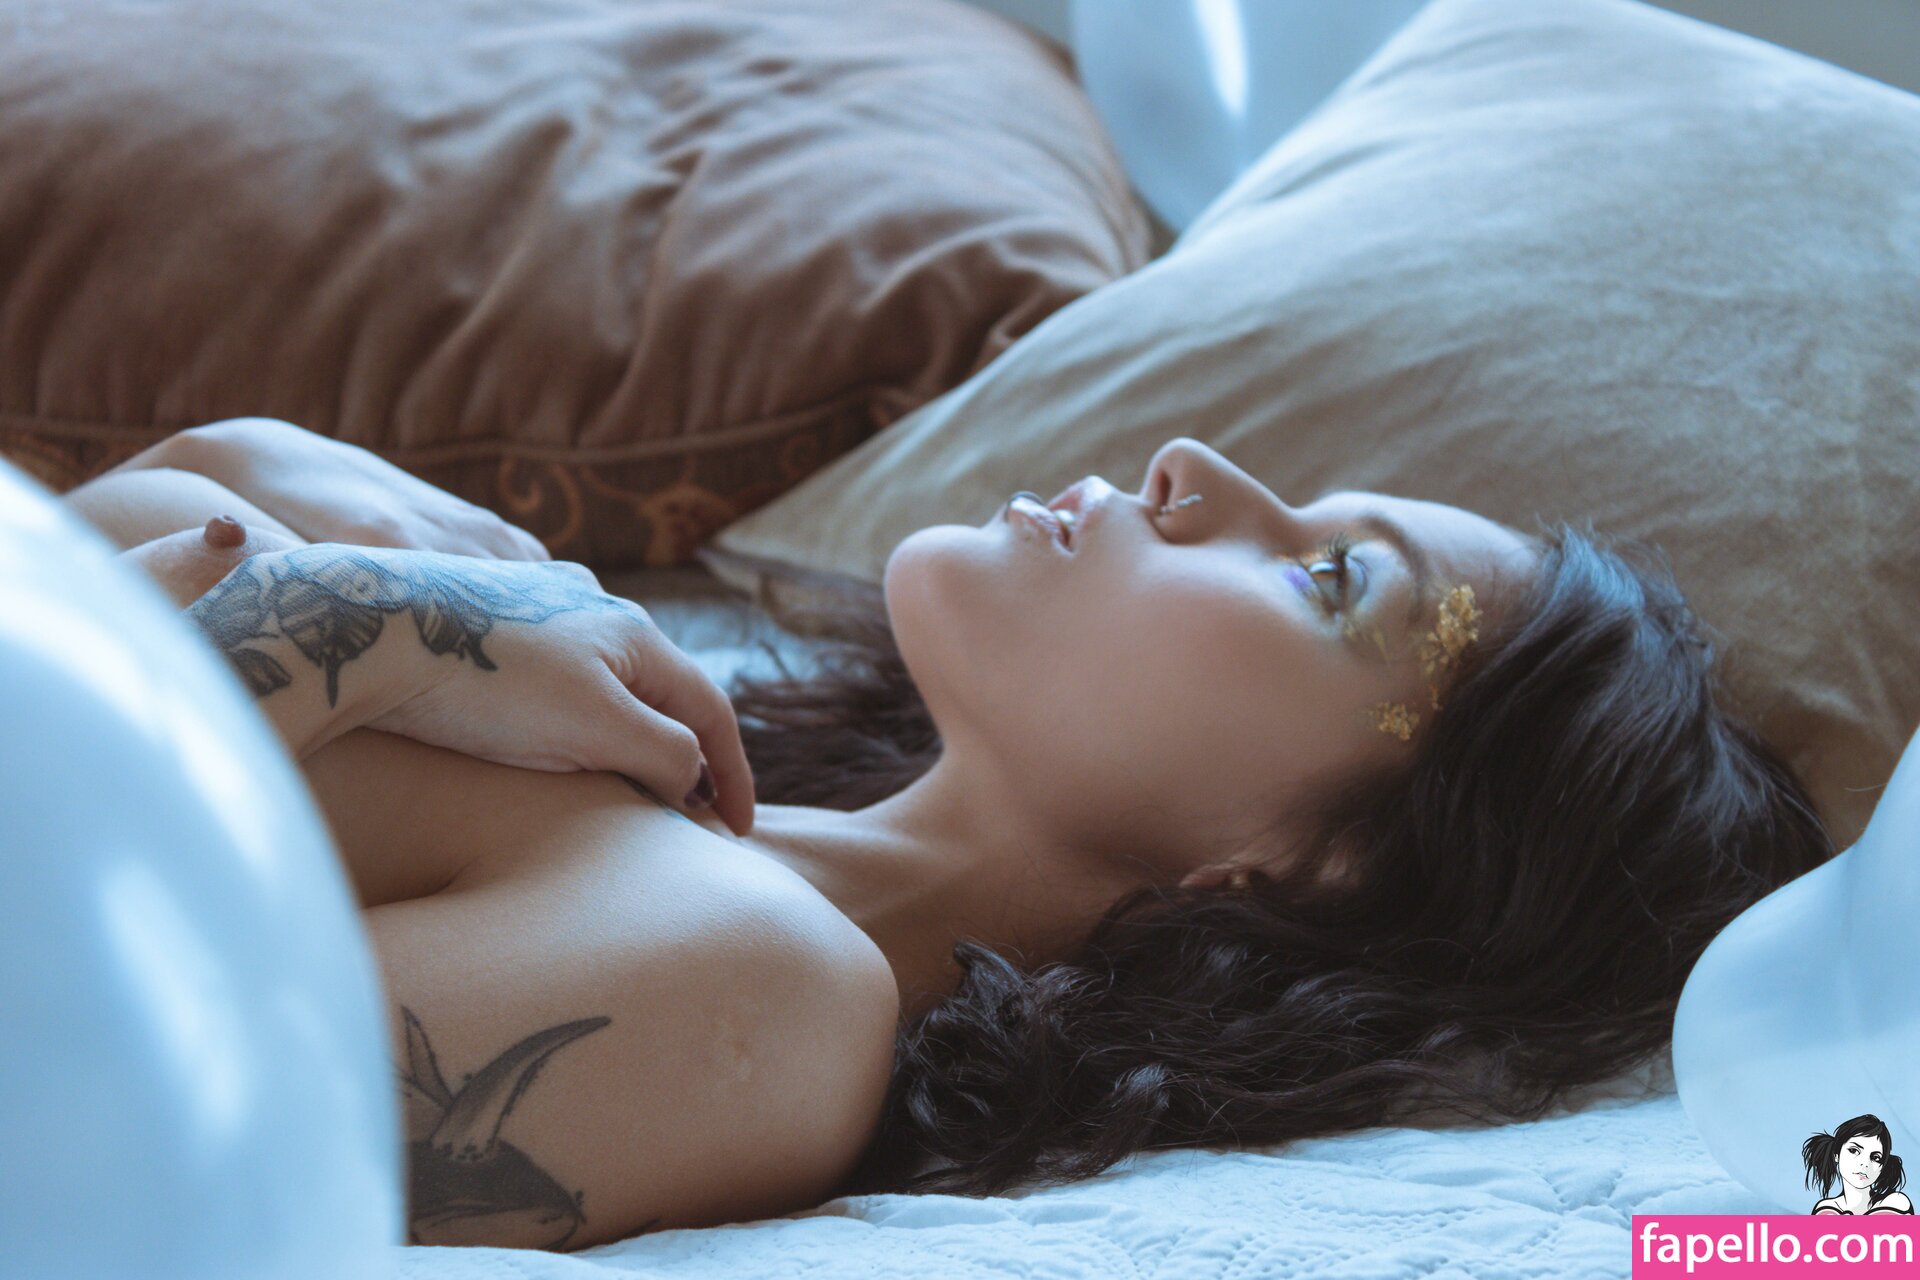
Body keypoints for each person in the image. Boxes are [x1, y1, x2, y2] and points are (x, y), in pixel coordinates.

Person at [61, 418, 1835, 1246]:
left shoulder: (753, 996)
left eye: (1327, 580)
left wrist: (341, 624)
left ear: (1308, 868)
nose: (1193, 469)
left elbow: (69, 1137)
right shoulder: (515, 609)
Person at [1805, 1116, 1914, 1214]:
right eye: (1854, 1150)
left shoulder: (1896, 1202)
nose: (1865, 1163)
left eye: (1875, 1158)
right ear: (1836, 1155)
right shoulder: (1826, 1209)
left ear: (1882, 1166)